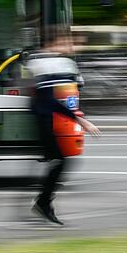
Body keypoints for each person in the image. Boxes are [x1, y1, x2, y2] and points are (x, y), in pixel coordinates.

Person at [27, 31, 100, 225]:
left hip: (46, 118)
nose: (69, 47)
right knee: (60, 161)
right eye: (63, 42)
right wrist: (81, 120)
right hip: (44, 119)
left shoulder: (46, 62)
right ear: (52, 43)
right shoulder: (44, 63)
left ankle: (42, 202)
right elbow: (49, 100)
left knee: (56, 161)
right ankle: (43, 203)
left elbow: (65, 92)